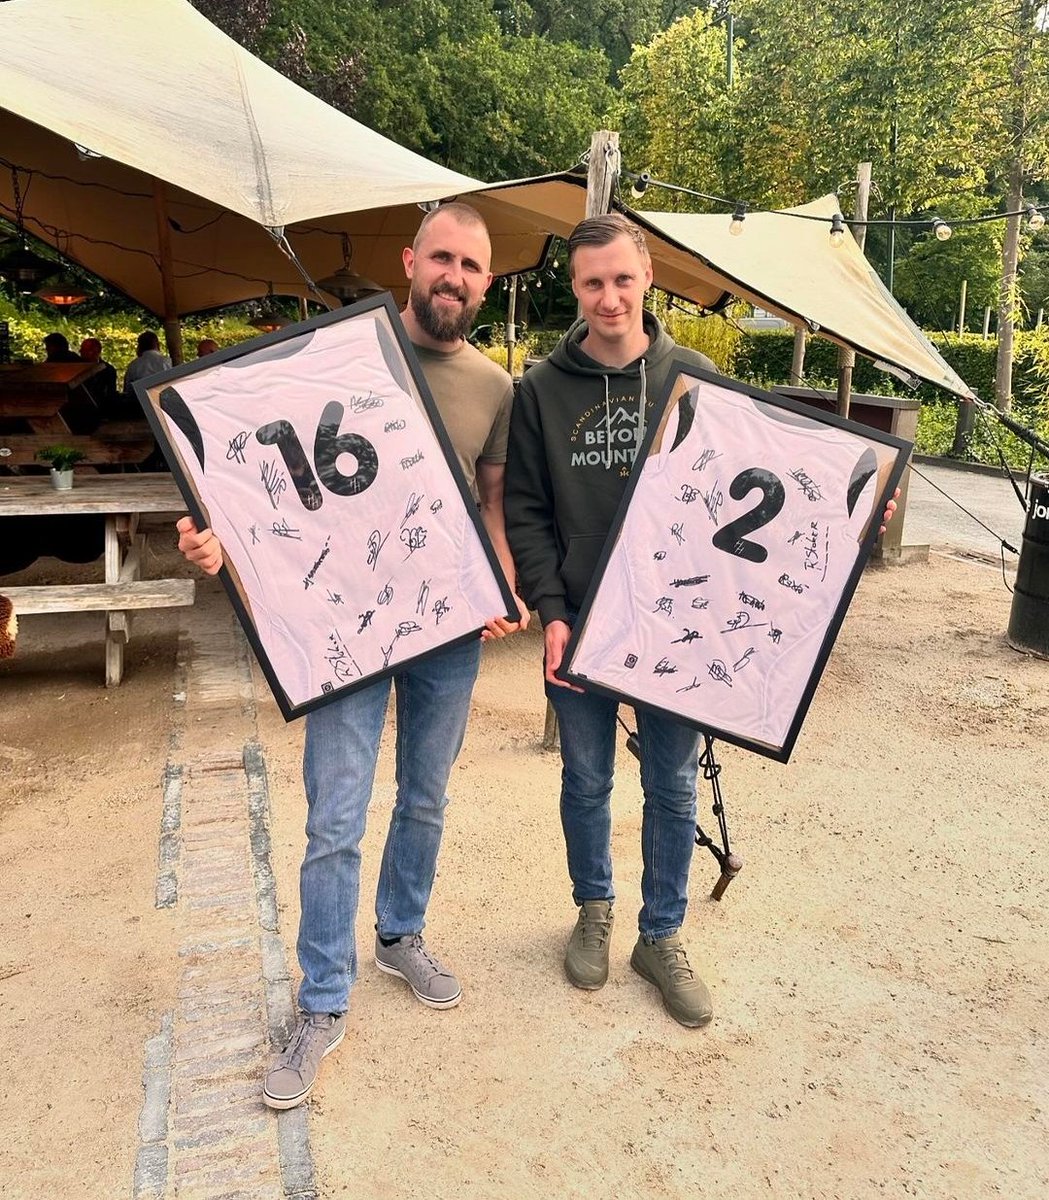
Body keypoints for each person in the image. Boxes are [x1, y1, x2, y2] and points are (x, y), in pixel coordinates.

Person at [505, 214, 897, 1031]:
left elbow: (765, 479)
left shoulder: (695, 375)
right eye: (590, 283)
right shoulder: (539, 389)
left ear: (646, 277)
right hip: (582, 623)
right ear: (572, 288)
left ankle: (661, 933)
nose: (608, 297)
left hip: (679, 628)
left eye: (621, 278)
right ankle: (593, 910)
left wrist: (854, 502)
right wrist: (549, 610)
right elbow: (527, 509)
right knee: (584, 779)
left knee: (672, 784)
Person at [176, 203, 528, 1109]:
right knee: (335, 815)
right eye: (441, 257)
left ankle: (400, 935)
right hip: (345, 629)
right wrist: (220, 544)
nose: (454, 276)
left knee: (426, 794)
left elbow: (489, 508)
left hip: (445, 631)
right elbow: (262, 486)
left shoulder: (495, 387)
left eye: (471, 266)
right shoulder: (335, 352)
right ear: (410, 261)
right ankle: (322, 1000)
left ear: (488, 283)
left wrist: (500, 584)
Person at [78, 337, 120, 416]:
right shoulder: (76, 369)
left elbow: (111, 392)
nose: (80, 351)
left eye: (84, 349)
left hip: (102, 410)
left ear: (95, 351)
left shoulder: (108, 369)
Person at [122, 330, 171, 395]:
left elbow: (127, 391)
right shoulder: (168, 362)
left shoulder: (134, 365)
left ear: (139, 347)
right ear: (157, 345)